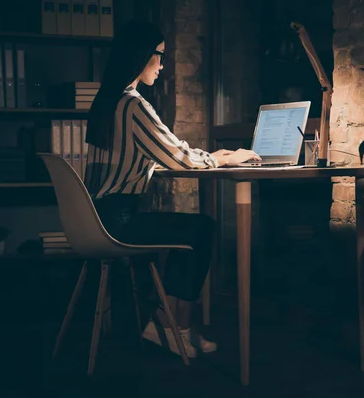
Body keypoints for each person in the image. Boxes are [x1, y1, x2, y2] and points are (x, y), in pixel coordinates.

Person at [84, 20, 260, 358]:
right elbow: (178, 157)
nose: (163, 66)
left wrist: (208, 157)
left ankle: (175, 325)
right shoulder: (133, 105)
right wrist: (226, 158)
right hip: (117, 221)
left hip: (97, 218)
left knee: (190, 232)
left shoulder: (106, 102)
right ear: (141, 56)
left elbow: (160, 153)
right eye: (159, 57)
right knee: (201, 228)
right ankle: (172, 325)